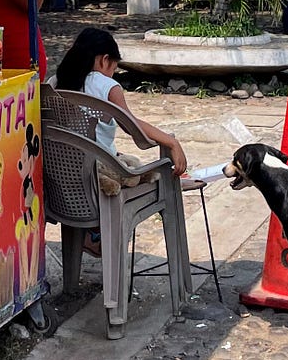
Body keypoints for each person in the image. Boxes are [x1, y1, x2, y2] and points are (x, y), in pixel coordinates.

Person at [53, 27, 188, 256]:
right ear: (105, 60)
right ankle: (100, 236)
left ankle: (92, 234)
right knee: (141, 172)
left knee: (118, 160)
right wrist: (171, 142)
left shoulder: (57, 81)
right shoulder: (107, 86)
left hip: (65, 178)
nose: (113, 73)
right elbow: (132, 126)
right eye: (114, 68)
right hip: (97, 178)